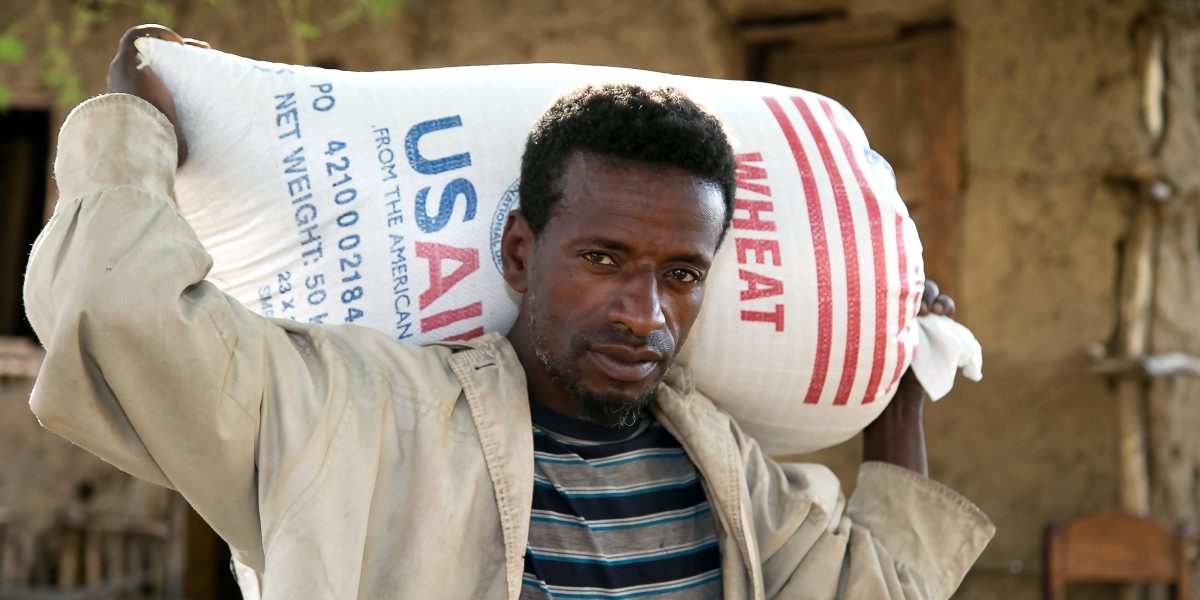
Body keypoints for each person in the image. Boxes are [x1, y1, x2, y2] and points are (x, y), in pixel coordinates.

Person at [24, 24, 992, 599]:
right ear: (522, 252)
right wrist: (131, 128)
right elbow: (116, 310)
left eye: (682, 273)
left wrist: (900, 391)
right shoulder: (354, 414)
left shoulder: (720, 466)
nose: (644, 310)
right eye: (604, 258)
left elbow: (876, 588)